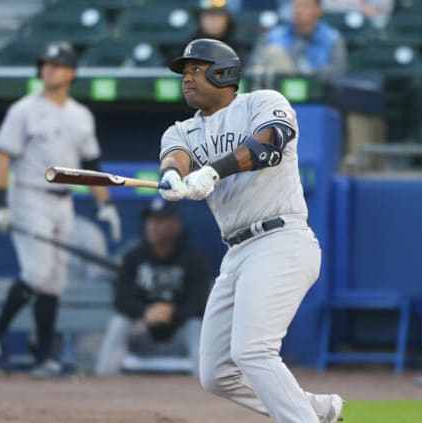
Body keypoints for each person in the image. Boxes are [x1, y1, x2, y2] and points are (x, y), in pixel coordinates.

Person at [158, 38, 343, 423]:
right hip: (237, 252)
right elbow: (175, 157)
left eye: (196, 69)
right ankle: (317, 410)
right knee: (217, 375)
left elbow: (269, 144)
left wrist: (211, 171)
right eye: (185, 72)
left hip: (281, 238)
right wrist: (175, 176)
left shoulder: (261, 102)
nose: (187, 79)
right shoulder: (181, 131)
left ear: (222, 72)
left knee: (253, 351)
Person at [0, 41, 122, 379]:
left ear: (71, 72)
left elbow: (91, 165)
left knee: (54, 282)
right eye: (45, 64)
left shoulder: (81, 115)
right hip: (29, 195)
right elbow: (2, 156)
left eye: (57, 65)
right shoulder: (24, 109)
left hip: (64, 200)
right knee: (37, 273)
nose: (49, 69)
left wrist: (105, 206)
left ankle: (44, 358)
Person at [94, 198, 209, 376]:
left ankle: (204, 386)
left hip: (178, 331)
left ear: (176, 225)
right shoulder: (134, 256)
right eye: (151, 220)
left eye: (161, 220)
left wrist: (172, 313)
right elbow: (121, 300)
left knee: (195, 325)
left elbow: (200, 302)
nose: (153, 226)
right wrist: (146, 312)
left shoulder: (192, 258)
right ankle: (102, 381)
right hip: (143, 329)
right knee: (119, 323)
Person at [248, 0, 346, 76]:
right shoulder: (273, 36)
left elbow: (338, 70)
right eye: (296, 5)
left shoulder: (332, 38)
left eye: (304, 6)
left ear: (318, 10)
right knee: (274, 52)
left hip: (318, 93)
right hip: (279, 92)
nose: (298, 10)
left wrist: (309, 74)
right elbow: (253, 68)